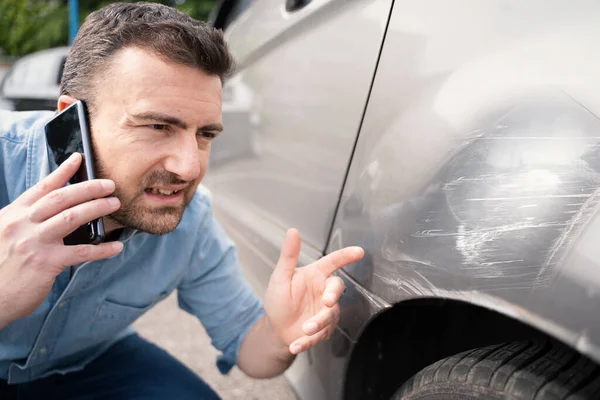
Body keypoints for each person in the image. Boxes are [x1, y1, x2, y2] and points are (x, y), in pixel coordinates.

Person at [0, 2, 364, 399]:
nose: (190, 168)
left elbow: (248, 346)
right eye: (158, 126)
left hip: (88, 361)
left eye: (205, 135)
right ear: (71, 118)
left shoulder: (192, 218)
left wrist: (279, 333)